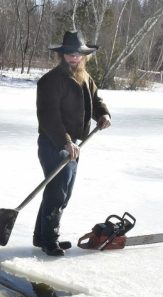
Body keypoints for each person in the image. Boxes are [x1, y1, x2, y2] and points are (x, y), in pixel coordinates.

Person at [34, 30, 112, 257]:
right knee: (57, 192)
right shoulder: (50, 81)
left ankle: (42, 237)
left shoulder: (85, 77)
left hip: (74, 144)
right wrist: (66, 142)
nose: (73, 57)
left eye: (77, 54)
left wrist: (103, 114)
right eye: (69, 53)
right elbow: (49, 117)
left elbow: (96, 100)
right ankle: (50, 241)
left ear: (83, 55)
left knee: (62, 192)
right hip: (53, 143)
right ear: (62, 55)